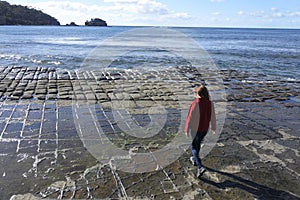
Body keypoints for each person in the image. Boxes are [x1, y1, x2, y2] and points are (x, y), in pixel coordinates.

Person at [185, 84, 216, 178]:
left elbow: (189, 118)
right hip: (204, 129)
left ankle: (200, 166)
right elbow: (213, 117)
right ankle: (194, 159)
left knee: (194, 147)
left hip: (195, 129)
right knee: (197, 144)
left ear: (198, 94)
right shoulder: (210, 103)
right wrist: (213, 128)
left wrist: (186, 129)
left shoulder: (195, 103)